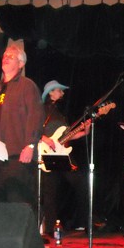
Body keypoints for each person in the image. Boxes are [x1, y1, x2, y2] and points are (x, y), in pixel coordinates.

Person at [0, 45, 44, 207]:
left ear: (21, 64)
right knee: (0, 205)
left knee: (18, 204)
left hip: (18, 155)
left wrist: (30, 145)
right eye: (4, 56)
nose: (5, 58)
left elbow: (36, 116)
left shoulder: (27, 86)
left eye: (11, 56)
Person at [39, 80, 90, 234]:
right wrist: (45, 139)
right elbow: (32, 129)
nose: (62, 93)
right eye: (59, 90)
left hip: (62, 153)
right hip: (47, 152)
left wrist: (85, 131)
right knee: (50, 192)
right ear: (50, 92)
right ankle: (49, 228)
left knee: (81, 183)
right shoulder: (42, 110)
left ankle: (83, 223)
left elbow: (68, 136)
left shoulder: (60, 114)